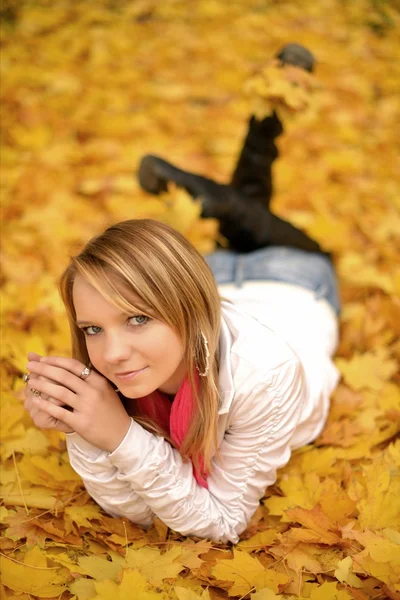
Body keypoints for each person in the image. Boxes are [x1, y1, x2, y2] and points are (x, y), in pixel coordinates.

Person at [23, 44, 341, 542]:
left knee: (252, 215)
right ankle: (230, 181)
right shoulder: (121, 363)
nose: (111, 353)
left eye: (135, 319)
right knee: (249, 204)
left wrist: (119, 436)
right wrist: (86, 429)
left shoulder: (265, 375)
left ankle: (222, 195)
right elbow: (140, 512)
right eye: (92, 328)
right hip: (203, 276)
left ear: (183, 308)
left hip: (292, 281)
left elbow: (221, 521)